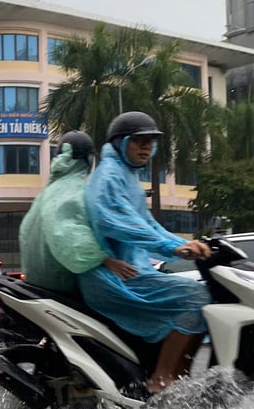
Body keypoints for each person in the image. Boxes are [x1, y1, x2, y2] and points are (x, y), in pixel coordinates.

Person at [78, 112, 212, 394]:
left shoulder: (126, 176)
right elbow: (119, 223)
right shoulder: (108, 177)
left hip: (132, 269)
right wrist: (172, 247)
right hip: (112, 278)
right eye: (138, 141)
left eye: (150, 142)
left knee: (204, 298)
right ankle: (161, 379)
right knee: (197, 297)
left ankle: (179, 377)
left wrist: (184, 244)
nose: (146, 147)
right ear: (121, 142)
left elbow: (148, 225)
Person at [20, 131, 137, 295]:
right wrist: (107, 260)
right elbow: (67, 233)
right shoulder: (73, 191)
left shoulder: (47, 193)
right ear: (90, 160)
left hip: (38, 287)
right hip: (62, 292)